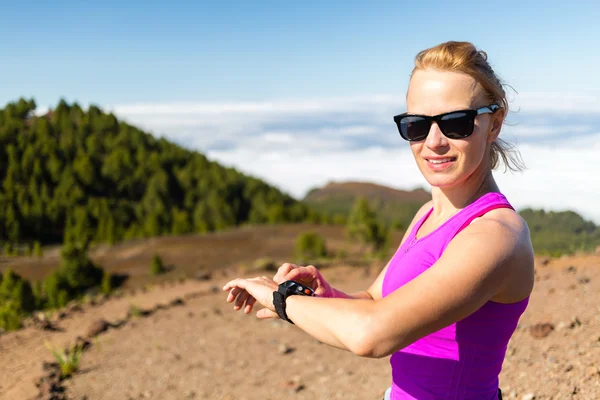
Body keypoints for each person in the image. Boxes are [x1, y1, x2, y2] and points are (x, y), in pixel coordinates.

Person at [223, 41, 535, 400]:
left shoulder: (495, 237)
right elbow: (375, 300)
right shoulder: (429, 214)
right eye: (417, 125)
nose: (433, 142)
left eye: (456, 123)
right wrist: (323, 299)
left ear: (494, 124)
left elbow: (371, 335)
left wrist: (282, 301)